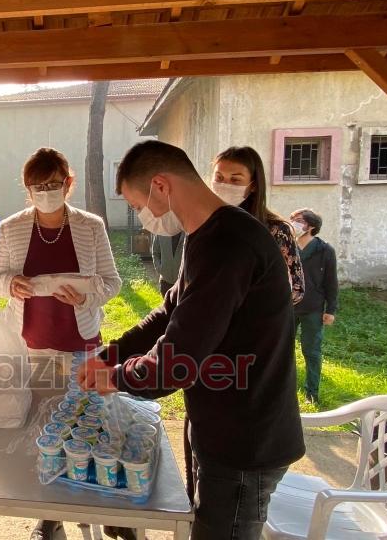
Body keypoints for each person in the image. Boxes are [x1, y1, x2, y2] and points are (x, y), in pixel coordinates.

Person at [80, 141, 305, 540]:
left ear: (161, 186)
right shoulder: (204, 235)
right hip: (219, 421)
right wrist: (108, 355)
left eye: (137, 205)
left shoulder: (230, 243)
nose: (141, 216)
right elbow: (169, 313)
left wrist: (115, 377)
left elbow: (175, 364)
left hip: (244, 438)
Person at [0, 147, 121, 540]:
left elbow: (112, 282)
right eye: (37, 186)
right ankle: (50, 516)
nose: (46, 192)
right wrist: (10, 284)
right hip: (36, 343)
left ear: (68, 183)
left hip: (81, 341)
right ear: (27, 190)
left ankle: (93, 506)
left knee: (86, 425)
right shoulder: (12, 227)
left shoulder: (90, 225)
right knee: (46, 429)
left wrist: (85, 296)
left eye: (53, 184)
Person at [211, 146, 305, 304]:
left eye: (235, 180)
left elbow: (297, 289)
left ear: (253, 185)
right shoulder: (205, 223)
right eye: (219, 178)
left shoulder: (276, 230)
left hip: (255, 323)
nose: (224, 185)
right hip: (211, 319)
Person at [289, 208, 338, 405]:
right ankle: (285, 391)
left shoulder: (325, 250)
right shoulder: (286, 246)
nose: (293, 223)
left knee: (311, 351)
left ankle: (312, 393)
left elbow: (331, 282)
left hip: (312, 308)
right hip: (287, 307)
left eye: (298, 220)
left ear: (311, 226)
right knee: (283, 349)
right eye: (292, 219)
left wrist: (330, 310)